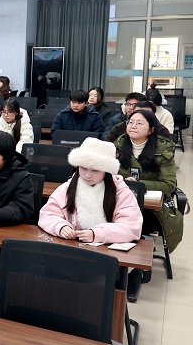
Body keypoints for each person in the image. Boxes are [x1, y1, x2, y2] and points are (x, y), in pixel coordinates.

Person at [114, 109, 183, 299]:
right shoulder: (119, 143)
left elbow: (169, 185)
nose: (133, 126)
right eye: (130, 122)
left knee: (136, 220)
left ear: (151, 129)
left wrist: (139, 184)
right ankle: (114, 266)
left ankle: (134, 270)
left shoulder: (162, 148)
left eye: (139, 123)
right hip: (120, 201)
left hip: (150, 209)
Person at [39, 137, 142, 244]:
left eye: (95, 170)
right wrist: (60, 226)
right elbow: (47, 215)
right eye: (83, 168)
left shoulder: (121, 192)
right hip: (71, 246)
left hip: (107, 250)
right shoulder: (67, 188)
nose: (87, 175)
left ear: (106, 171)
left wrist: (97, 234)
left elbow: (131, 227)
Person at [106, 100, 171, 143]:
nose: (141, 116)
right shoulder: (119, 128)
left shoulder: (162, 131)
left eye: (146, 114)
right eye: (137, 113)